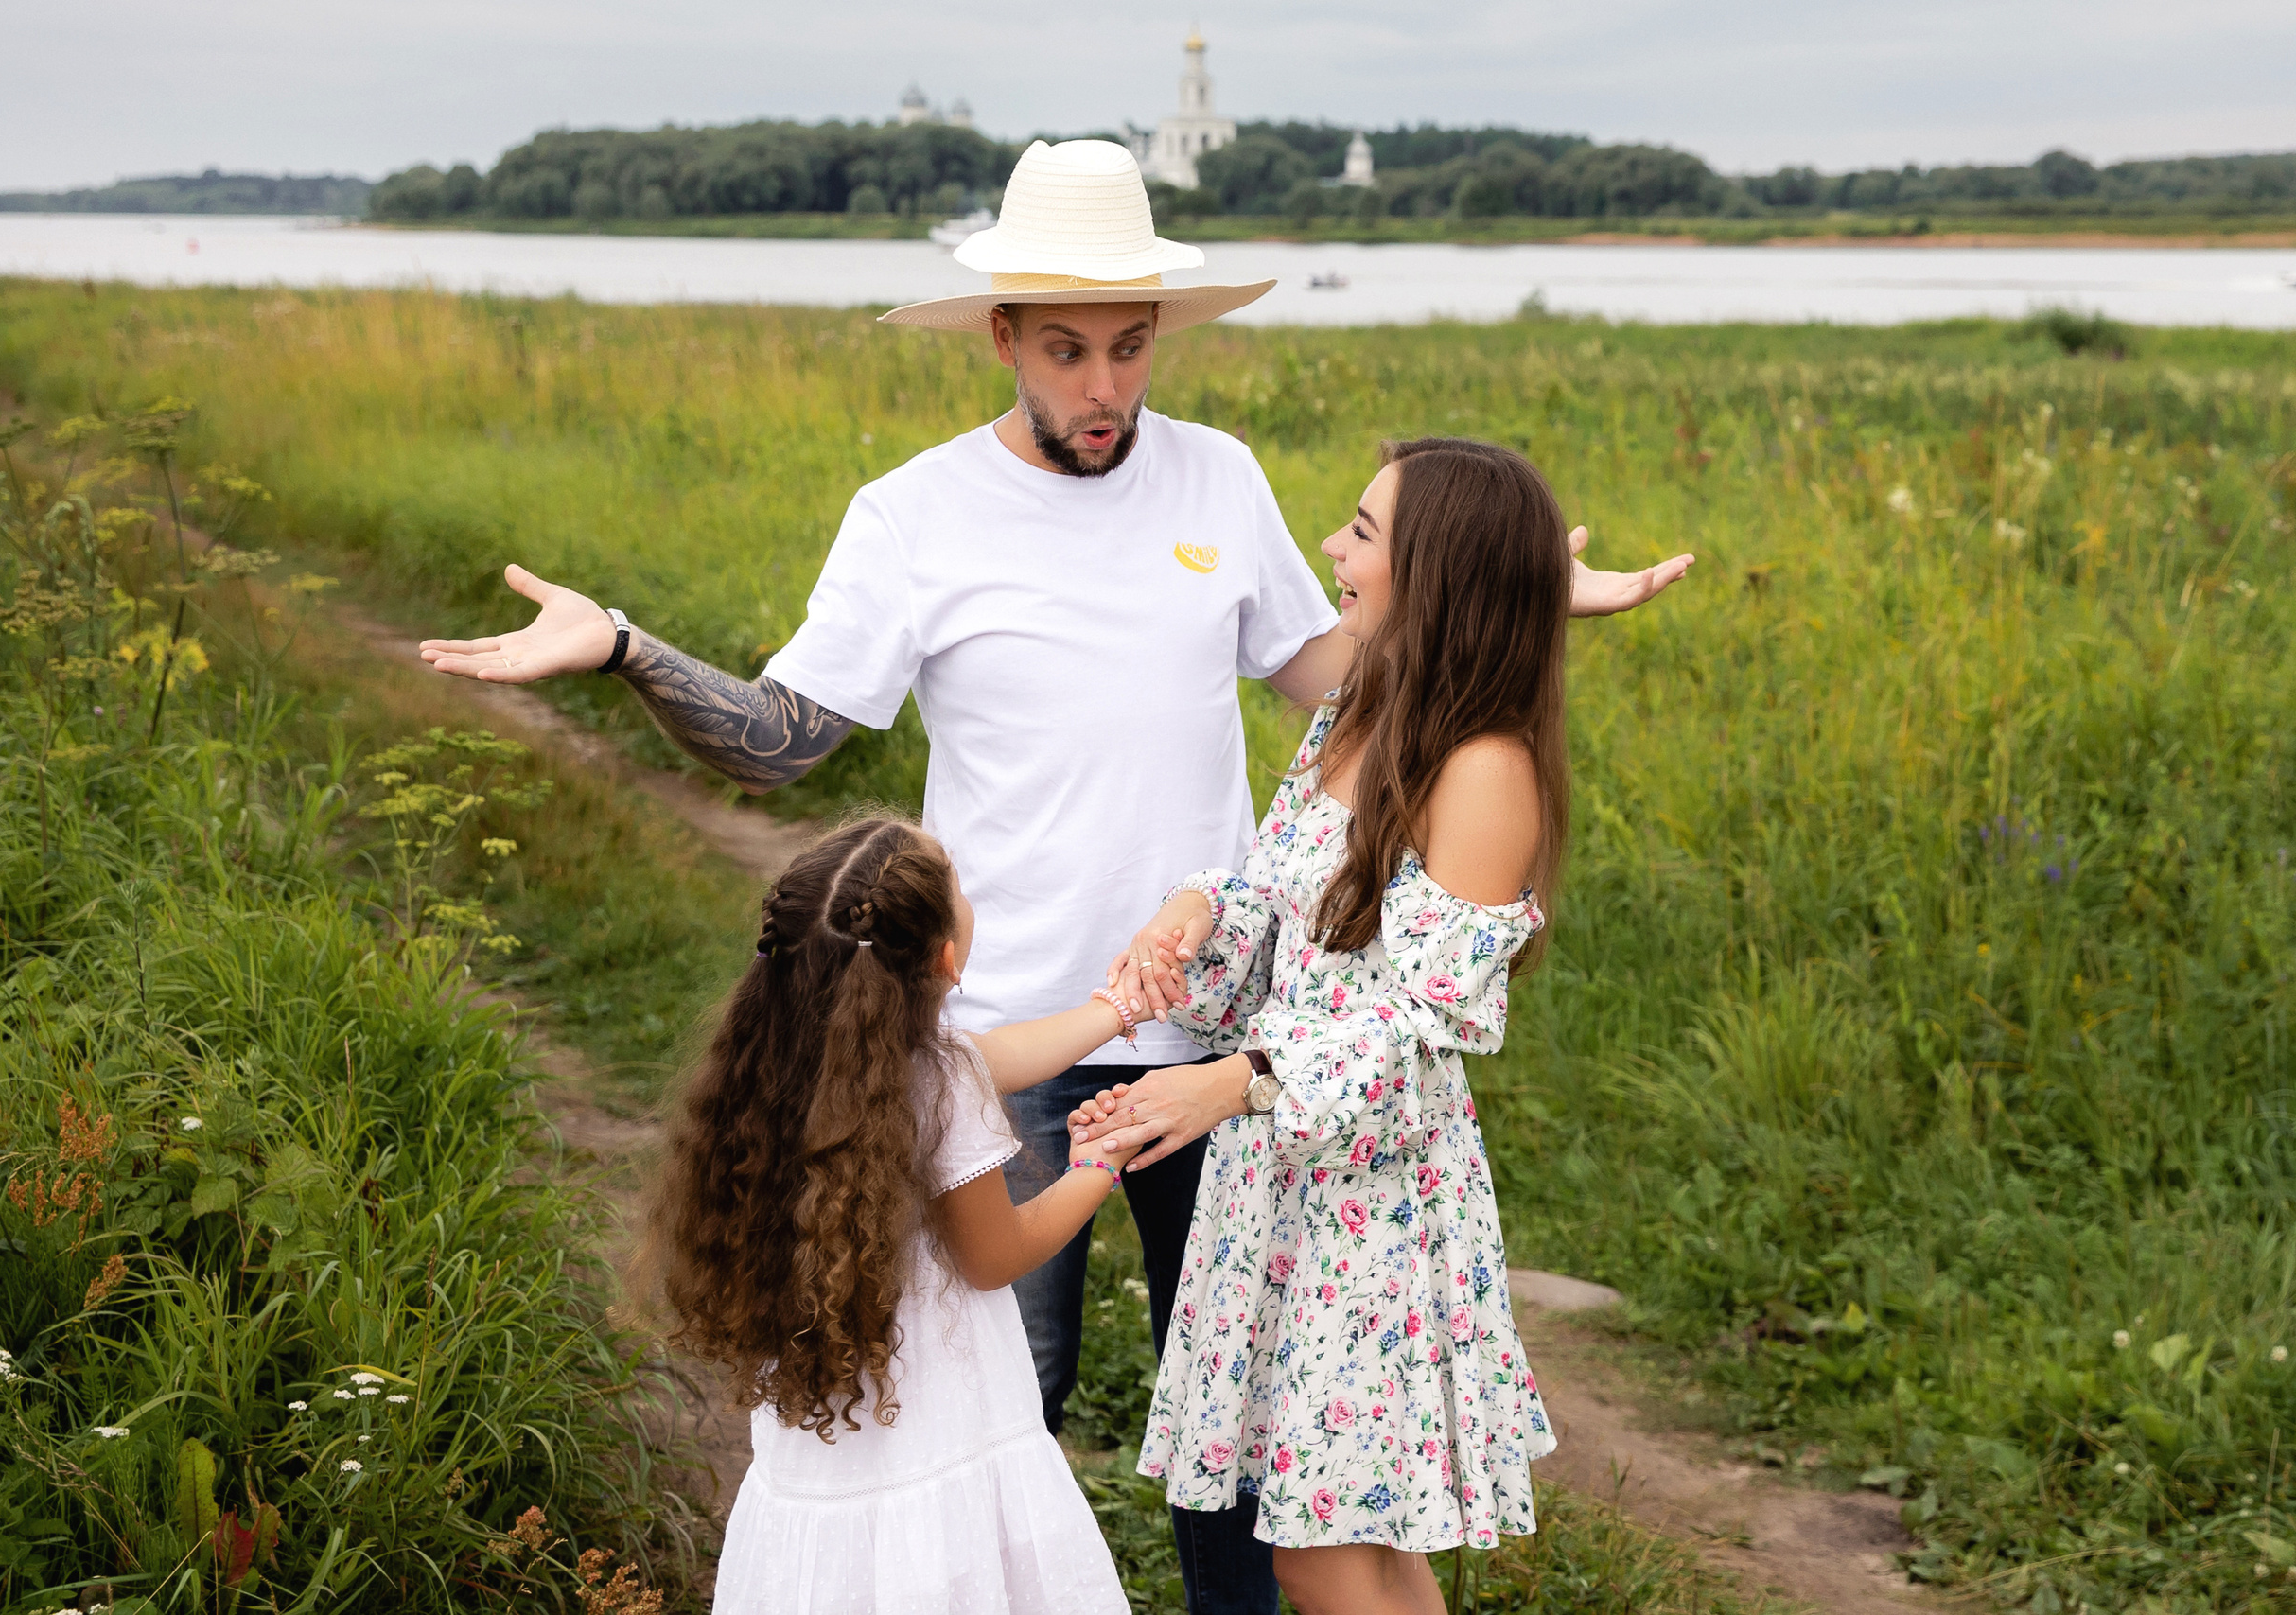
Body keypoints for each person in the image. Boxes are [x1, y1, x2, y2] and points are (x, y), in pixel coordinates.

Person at [418, 139, 1690, 1615]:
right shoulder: (914, 514)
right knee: (991, 1406)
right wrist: (623, 646)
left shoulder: (1219, 476)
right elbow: (782, 740)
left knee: (1256, 1450)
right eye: (1068, 350)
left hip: (1235, 1041)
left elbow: (1345, 672)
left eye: (1130, 346)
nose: (1105, 385)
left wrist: (1507, 587)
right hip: (1006, 1035)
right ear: (1004, 336)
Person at [1072, 440, 1572, 1615]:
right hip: (1280, 1176)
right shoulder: (1357, 708)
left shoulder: (1484, 769)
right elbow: (1290, 908)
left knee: (1323, 1551)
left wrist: (1236, 1080)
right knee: (1347, 1546)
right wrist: (1201, 911)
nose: (1332, 549)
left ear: (1431, 573)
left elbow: (1426, 1024)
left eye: (1361, 532)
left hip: (1374, 1200)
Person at [640, 815, 1158, 1614]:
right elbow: (994, 1255)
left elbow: (1001, 1052)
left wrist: (1119, 1008)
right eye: (960, 888)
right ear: (947, 958)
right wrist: (1097, 1164)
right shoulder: (939, 1082)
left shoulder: (776, 1066)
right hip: (942, 1423)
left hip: (823, 1451)